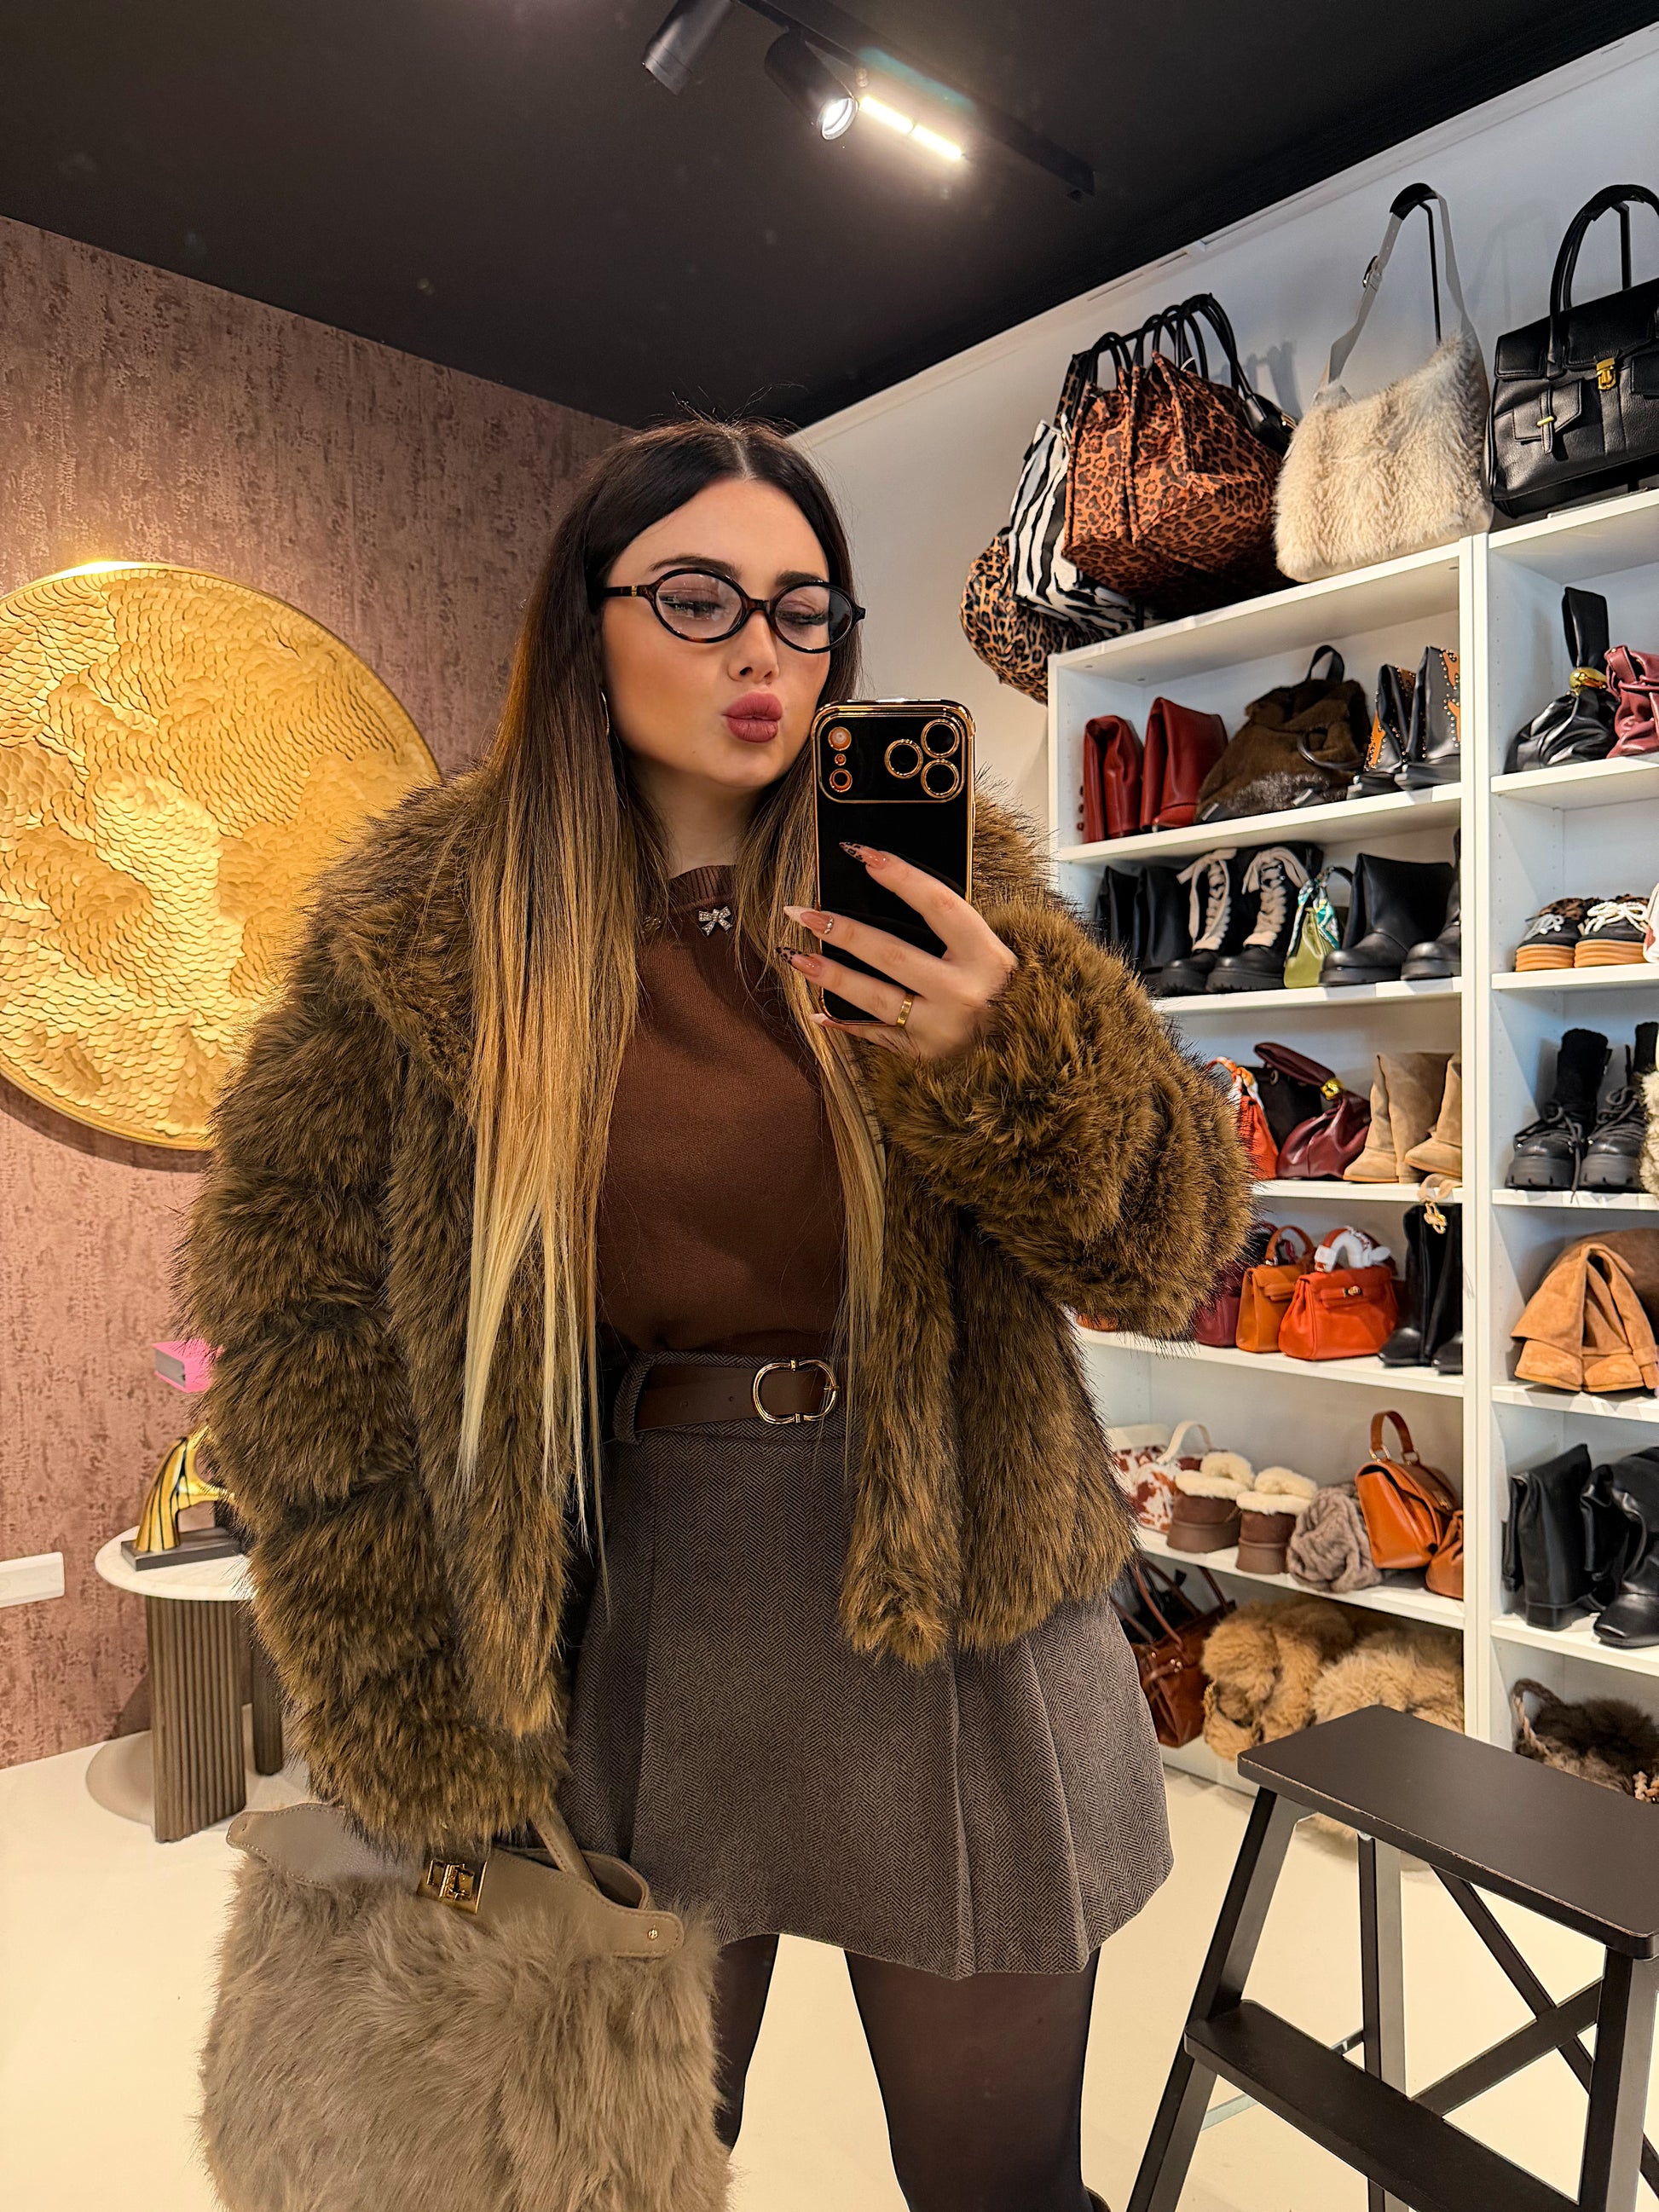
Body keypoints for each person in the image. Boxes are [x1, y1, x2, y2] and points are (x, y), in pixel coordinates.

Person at [178, 417, 1252, 2212]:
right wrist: (401, 1680)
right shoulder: (433, 928)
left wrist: (1007, 1057)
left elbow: (1171, 1244)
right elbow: (293, 1308)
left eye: (802, 608)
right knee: (613, 2174)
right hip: (636, 1610)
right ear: (583, 624)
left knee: (1001, 2190)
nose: (762, 651)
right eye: (696, 598)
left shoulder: (943, 889)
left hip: (954, 1594)